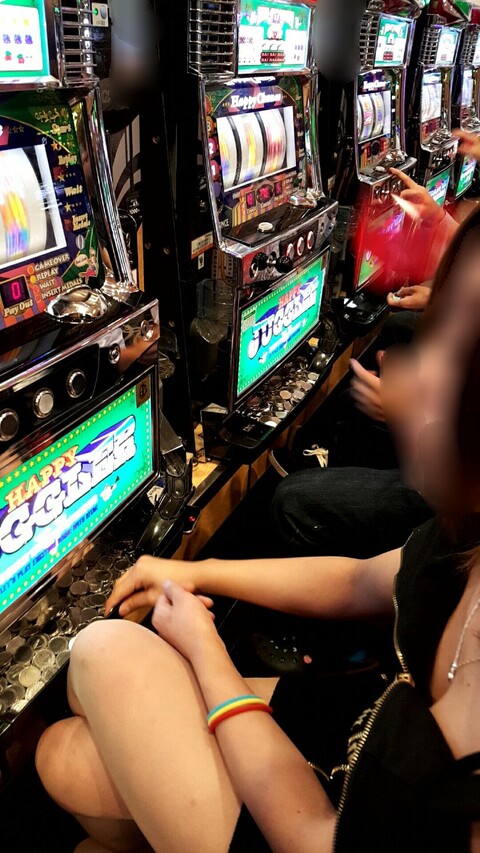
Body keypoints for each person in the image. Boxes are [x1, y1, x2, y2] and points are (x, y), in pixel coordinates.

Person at [35, 207, 480, 851]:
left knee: (98, 662)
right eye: (440, 330)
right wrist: (196, 570)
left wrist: (204, 647)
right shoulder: (467, 539)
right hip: (358, 730)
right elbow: (360, 580)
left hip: (324, 825)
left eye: (464, 354)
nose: (420, 371)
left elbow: (318, 841)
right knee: (61, 755)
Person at [269, 167, 461, 557]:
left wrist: (412, 415)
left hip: (453, 494)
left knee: (291, 502)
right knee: (399, 332)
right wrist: (441, 228)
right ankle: (332, 451)